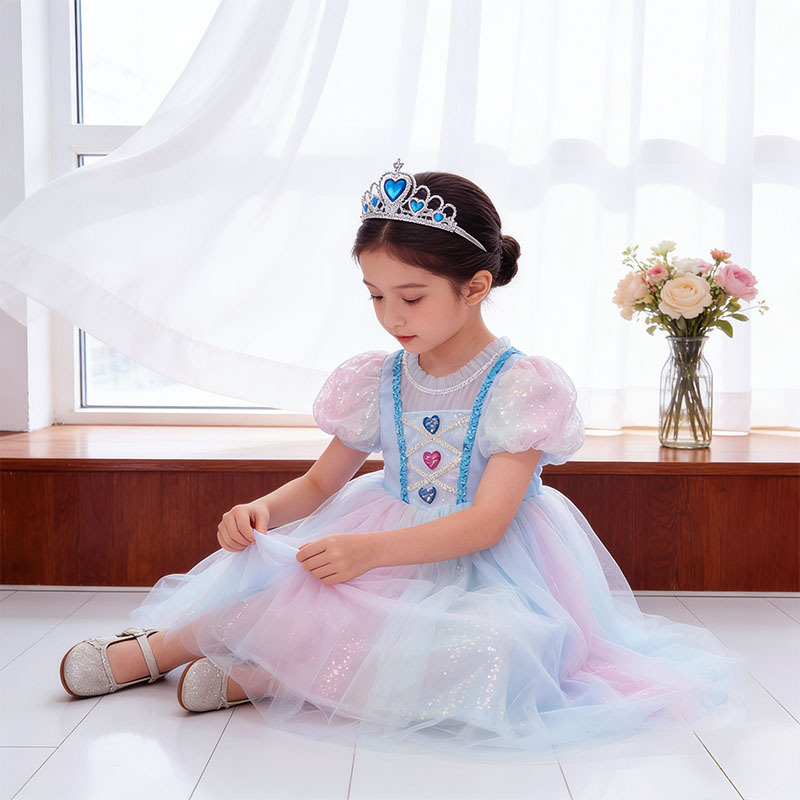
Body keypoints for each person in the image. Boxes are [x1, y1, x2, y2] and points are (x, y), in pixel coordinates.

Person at [59, 159, 747, 762]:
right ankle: (155, 651)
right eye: (376, 296)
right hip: (380, 537)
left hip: (487, 563)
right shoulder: (378, 377)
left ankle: (271, 676)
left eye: (411, 297)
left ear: (475, 286)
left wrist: (370, 553)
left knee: (501, 652)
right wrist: (263, 509)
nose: (392, 316)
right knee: (290, 588)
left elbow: (485, 522)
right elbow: (321, 482)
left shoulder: (520, 385)